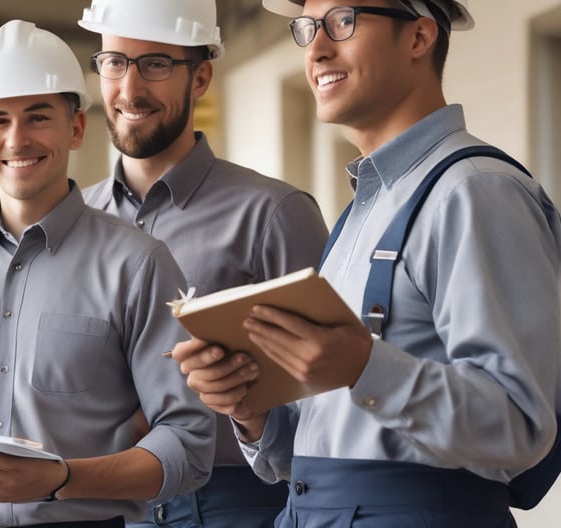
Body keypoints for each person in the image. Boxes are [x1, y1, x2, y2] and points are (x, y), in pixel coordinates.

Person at [172, 0, 561, 527]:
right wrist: (250, 409)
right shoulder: (365, 209)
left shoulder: (473, 192)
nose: (317, 48)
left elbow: (521, 426)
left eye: (343, 22)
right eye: (308, 28)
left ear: (420, 37)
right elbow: (308, 457)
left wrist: (364, 367)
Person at [0, 19, 215, 528]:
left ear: (75, 127)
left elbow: (188, 442)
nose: (17, 139)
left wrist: (60, 478)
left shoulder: (138, 265)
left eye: (38, 117)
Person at [77, 0, 330, 526]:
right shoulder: (74, 223)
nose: (128, 89)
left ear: (201, 78)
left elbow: (328, 406)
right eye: (115, 62)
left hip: (235, 502)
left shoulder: (274, 215)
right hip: (102, 500)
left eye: (156, 64)